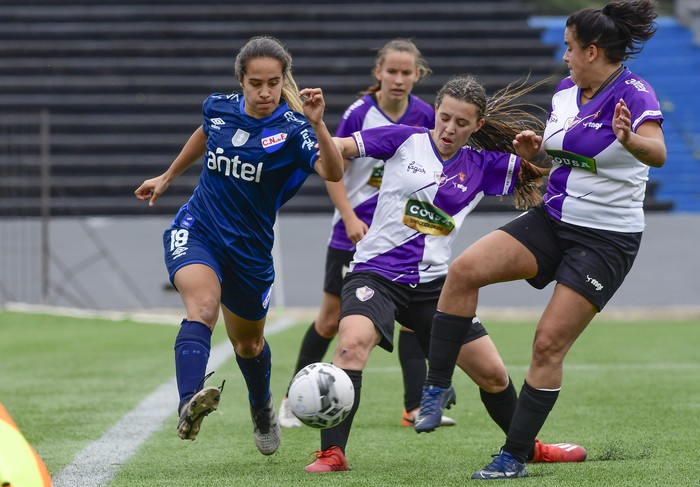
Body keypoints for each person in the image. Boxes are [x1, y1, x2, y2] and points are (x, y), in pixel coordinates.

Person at [416, 0, 666, 480]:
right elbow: (573, 160)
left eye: (571, 48)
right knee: (465, 271)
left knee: (548, 345)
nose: (565, 55)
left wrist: (631, 141)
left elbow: (655, 151)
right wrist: (538, 157)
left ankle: (513, 455)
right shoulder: (568, 90)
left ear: (593, 51)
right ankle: (436, 387)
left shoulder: (633, 93)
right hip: (553, 219)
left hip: (605, 240)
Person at [303, 74, 584, 473]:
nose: (449, 129)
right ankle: (332, 453)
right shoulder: (403, 139)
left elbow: (547, 175)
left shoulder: (483, 165)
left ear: (477, 126)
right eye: (444, 117)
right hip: (375, 274)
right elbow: (337, 158)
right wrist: (318, 125)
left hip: (437, 287)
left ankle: (526, 447)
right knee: (350, 345)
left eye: (461, 123)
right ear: (435, 111)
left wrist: (534, 156)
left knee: (491, 373)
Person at [134, 35, 344, 456]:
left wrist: (319, 124)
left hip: (249, 251)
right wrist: (168, 176)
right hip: (199, 229)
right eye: (256, 83)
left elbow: (333, 171)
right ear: (241, 81)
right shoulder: (218, 107)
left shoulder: (293, 128)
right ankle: (188, 403)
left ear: (283, 80)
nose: (265, 92)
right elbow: (204, 133)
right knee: (203, 309)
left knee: (248, 345)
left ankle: (262, 408)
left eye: (273, 82)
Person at [277, 38, 455, 429]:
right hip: (354, 234)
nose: (398, 78)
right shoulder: (360, 113)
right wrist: (349, 217)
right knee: (329, 321)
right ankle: (292, 398)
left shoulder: (427, 114)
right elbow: (333, 164)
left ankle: (414, 408)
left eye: (406, 72)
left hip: (401, 234)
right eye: (391, 71)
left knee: (412, 319)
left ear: (417, 76)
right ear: (378, 73)